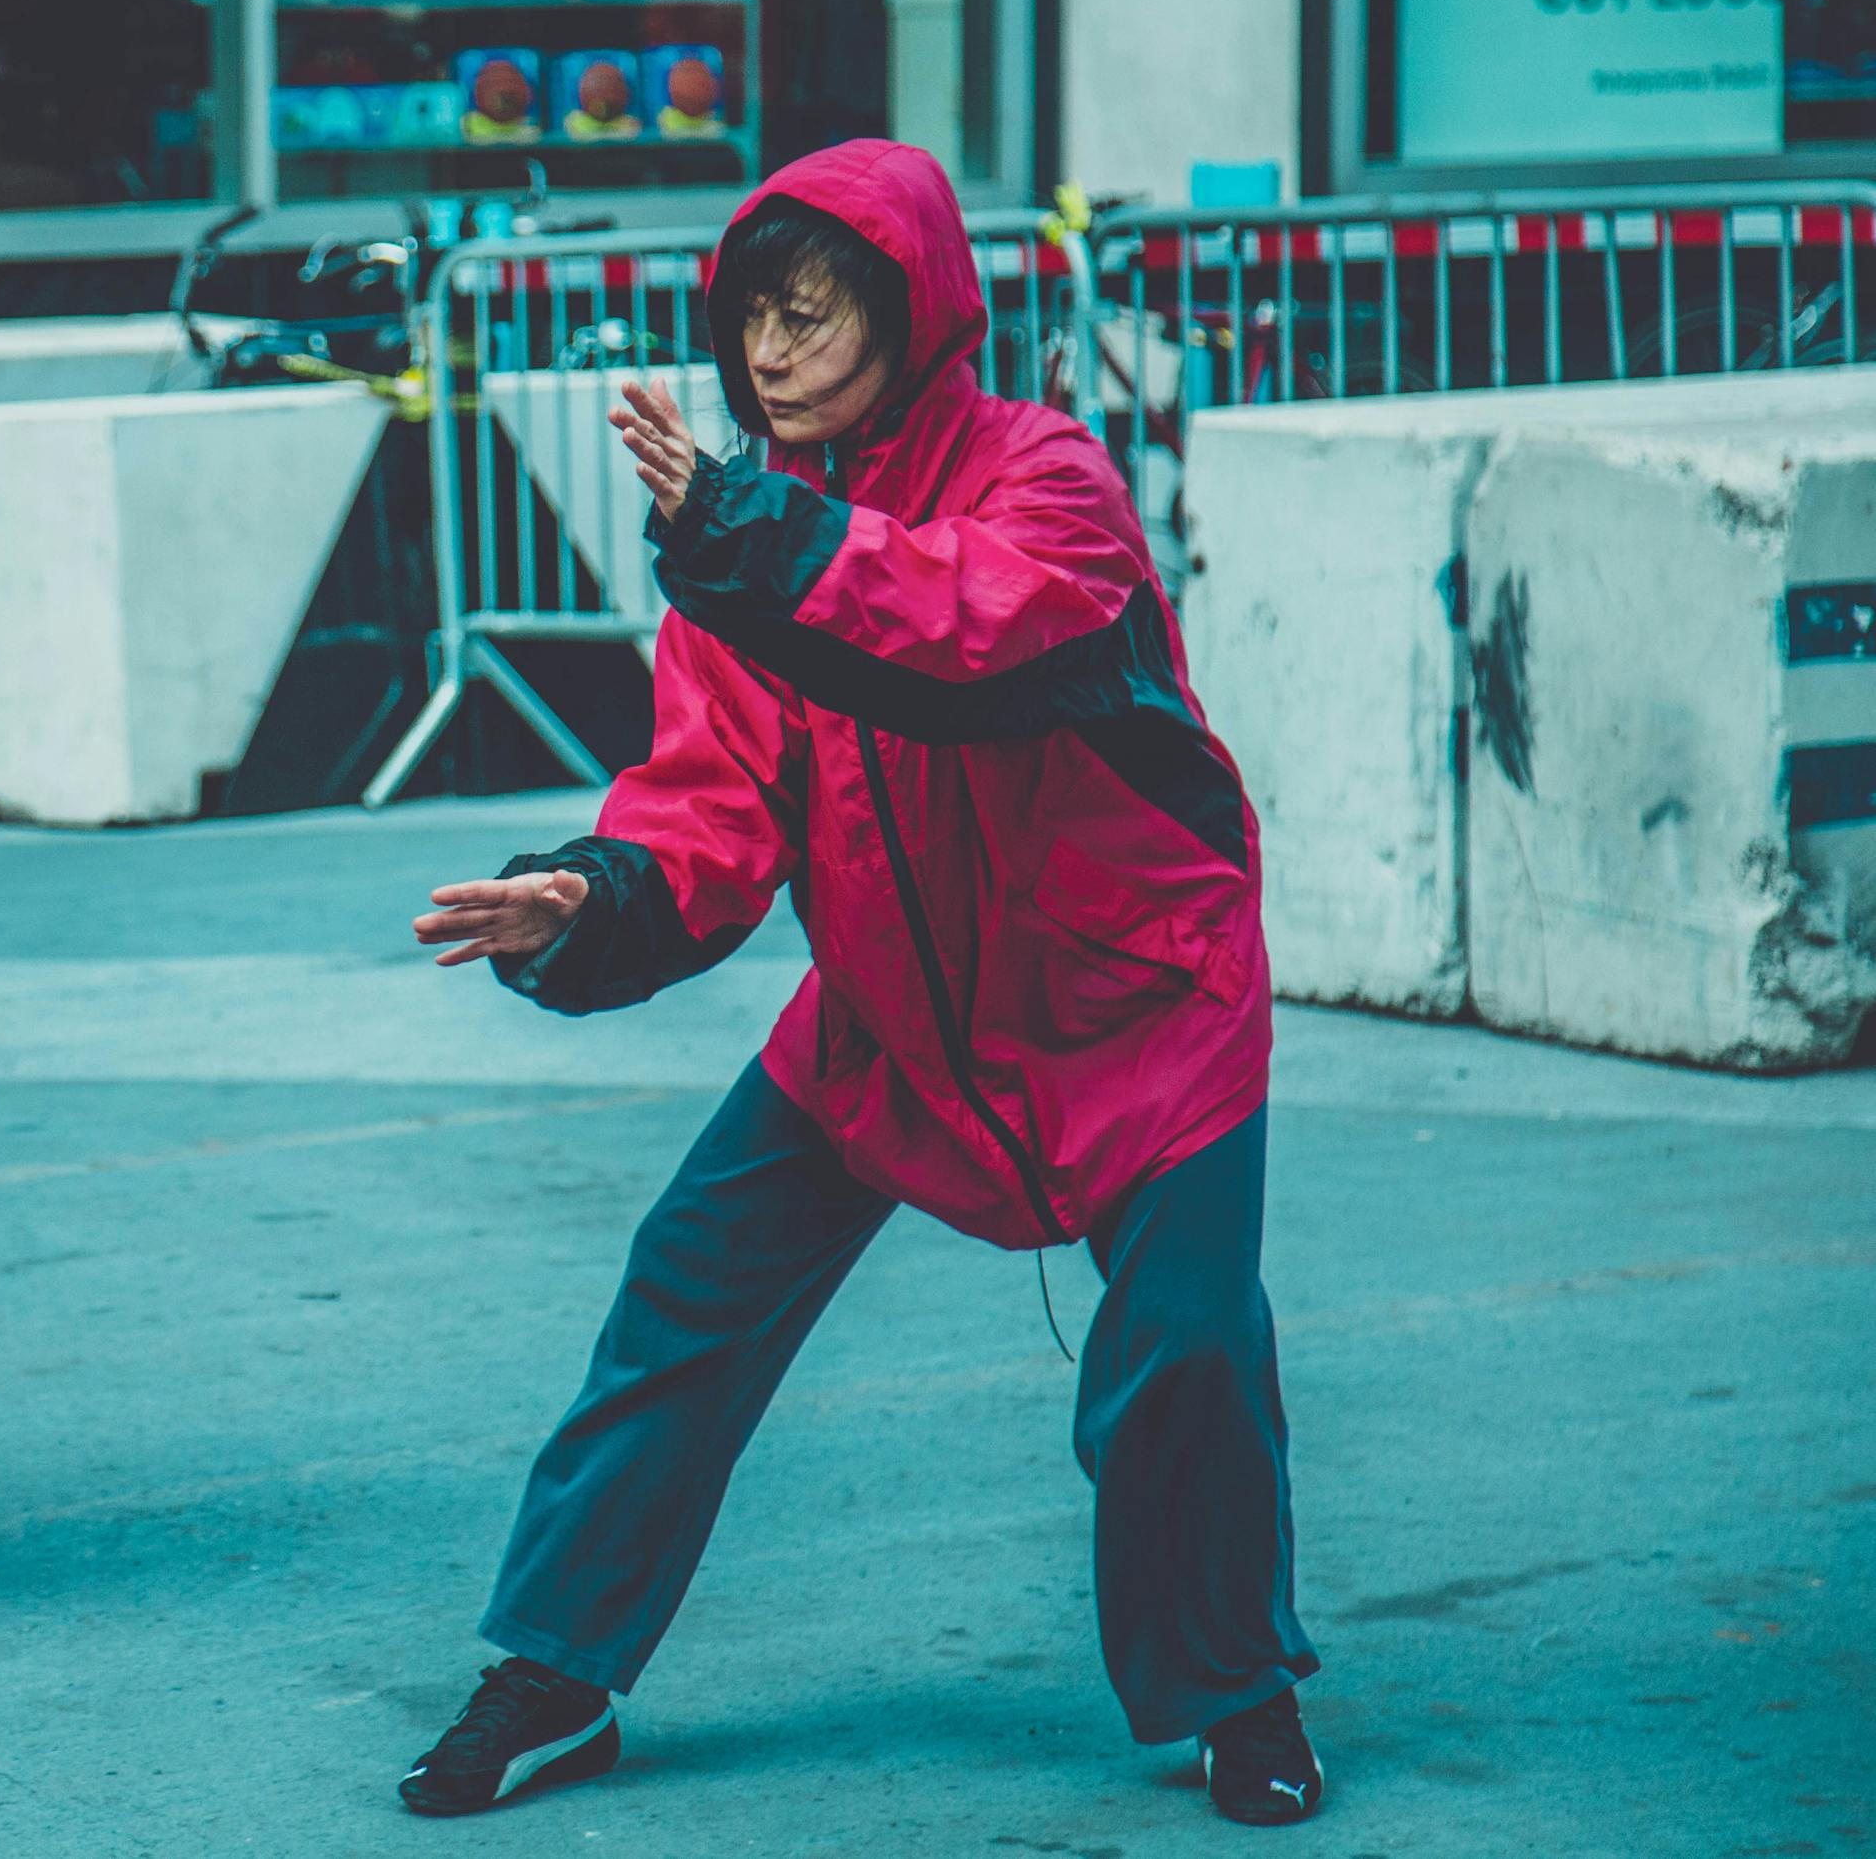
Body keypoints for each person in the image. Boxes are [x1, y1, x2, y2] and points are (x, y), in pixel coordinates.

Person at [396, 140, 1325, 1827]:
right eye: (751, 317)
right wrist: (582, 899)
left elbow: (971, 636)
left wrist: (743, 525)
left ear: (912, 315)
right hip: (897, 1017)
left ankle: (1235, 1692)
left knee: (1183, 1350)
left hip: (1142, 1006)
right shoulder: (734, 551)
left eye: (810, 313)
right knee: (689, 1280)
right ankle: (556, 1669)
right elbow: (708, 818)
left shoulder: (1042, 476)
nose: (769, 351)